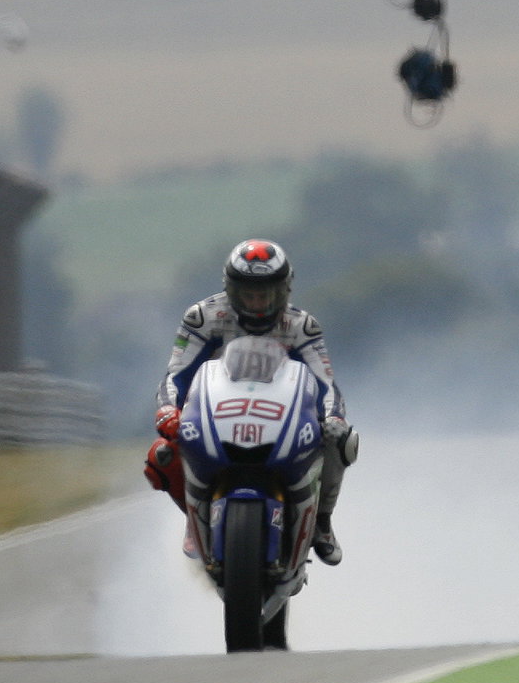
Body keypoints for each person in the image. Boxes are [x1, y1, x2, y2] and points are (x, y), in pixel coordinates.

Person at [143, 238, 358, 565]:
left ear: (284, 291)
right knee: (161, 453)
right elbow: (175, 374)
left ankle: (322, 522)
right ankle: (194, 515)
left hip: (282, 413)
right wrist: (168, 410)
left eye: (266, 294)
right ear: (231, 290)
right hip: (215, 411)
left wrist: (334, 419)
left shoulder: (302, 327)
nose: (257, 303)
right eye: (248, 294)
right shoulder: (202, 318)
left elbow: (325, 383)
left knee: (343, 441)